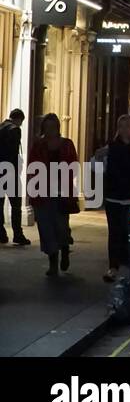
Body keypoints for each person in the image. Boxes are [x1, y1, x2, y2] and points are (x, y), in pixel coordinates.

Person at [29, 113, 77, 277]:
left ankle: (64, 249)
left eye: (53, 127)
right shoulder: (38, 145)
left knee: (61, 227)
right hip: (42, 193)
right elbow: (32, 167)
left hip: (61, 193)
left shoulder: (67, 144)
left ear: (58, 127)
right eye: (47, 127)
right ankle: (53, 262)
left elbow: (74, 166)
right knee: (46, 227)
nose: (50, 130)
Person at [103, 115, 130, 282]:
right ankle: (113, 266)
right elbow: (100, 165)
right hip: (114, 197)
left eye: (127, 126)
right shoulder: (112, 148)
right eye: (120, 126)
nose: (124, 129)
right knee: (115, 233)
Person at [0, 109, 30, 245]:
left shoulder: (1, 127)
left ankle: (1, 234)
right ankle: (18, 234)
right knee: (16, 205)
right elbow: (13, 152)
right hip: (10, 172)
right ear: (19, 119)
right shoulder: (14, 129)